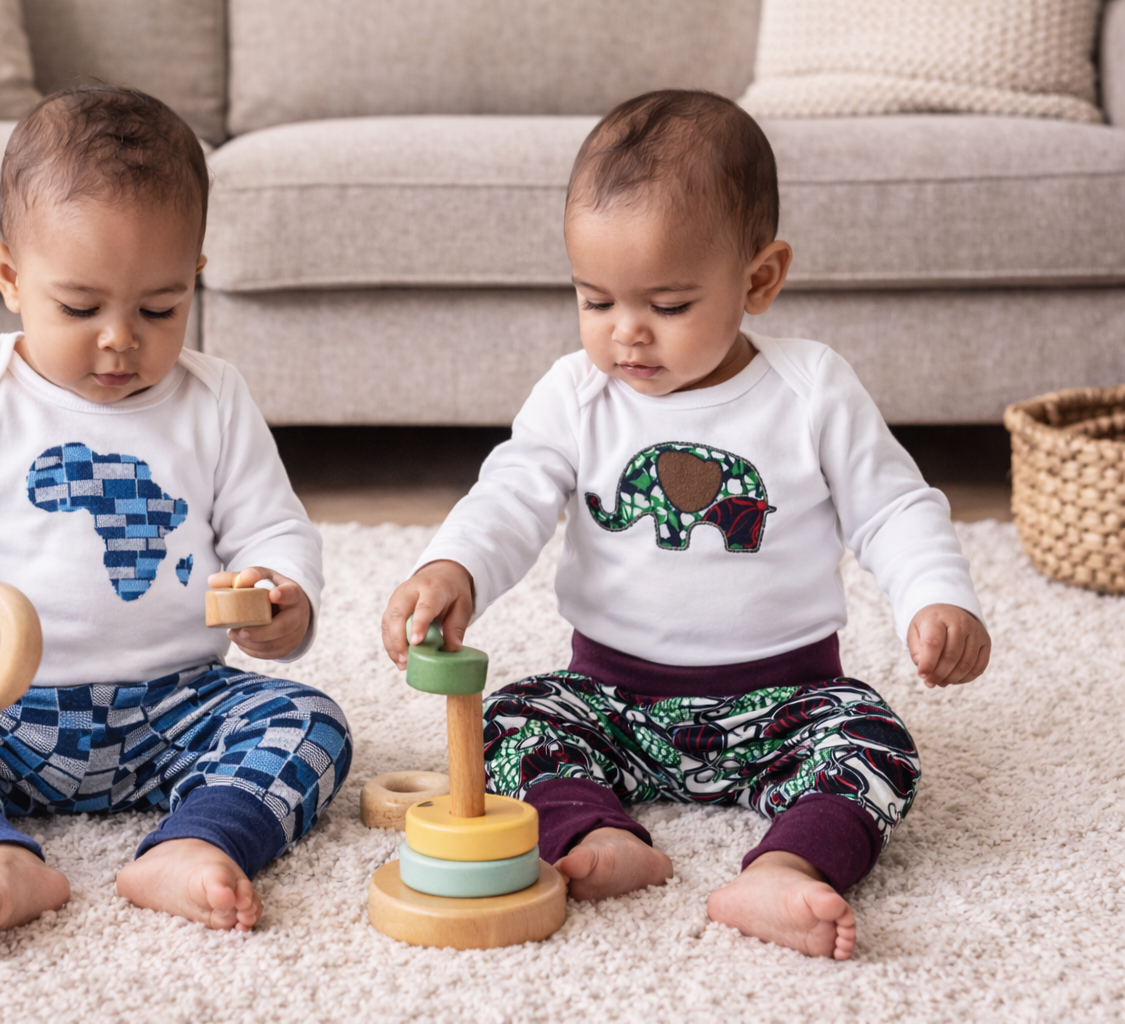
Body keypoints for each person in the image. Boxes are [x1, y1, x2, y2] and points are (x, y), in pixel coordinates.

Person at [381, 90, 991, 961]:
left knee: (875, 742)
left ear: (759, 280)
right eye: (595, 301)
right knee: (510, 721)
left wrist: (936, 596)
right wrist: (455, 568)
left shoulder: (810, 389)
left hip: (787, 702)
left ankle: (786, 866)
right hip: (613, 698)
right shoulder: (577, 394)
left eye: (666, 306)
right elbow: (511, 492)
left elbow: (891, 504)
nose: (626, 334)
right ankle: (597, 833)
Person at [0, 86, 350, 954]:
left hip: (179, 705)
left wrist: (281, 593)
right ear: (8, 276)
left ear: (196, 279)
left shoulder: (215, 400)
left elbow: (272, 527)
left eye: (159, 308)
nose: (120, 340)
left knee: (311, 724)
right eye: (80, 308)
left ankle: (195, 841)